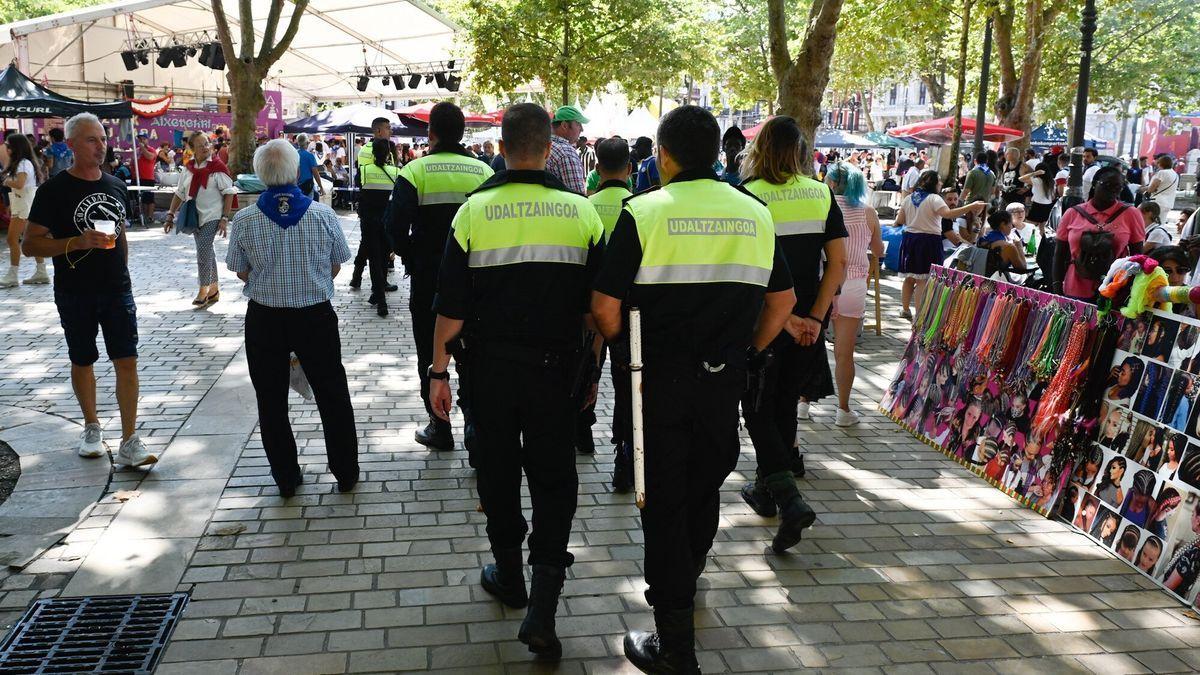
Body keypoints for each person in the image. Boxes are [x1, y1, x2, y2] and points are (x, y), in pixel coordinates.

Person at [592, 105, 794, 672]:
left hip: (656, 383)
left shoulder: (646, 212)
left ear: (664, 155)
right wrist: (747, 350)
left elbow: (606, 307)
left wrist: (623, 351)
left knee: (661, 503)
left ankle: (676, 646)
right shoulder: (754, 213)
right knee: (706, 487)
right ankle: (687, 576)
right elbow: (782, 301)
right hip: (722, 381)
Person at [427, 103, 604, 660]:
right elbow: (599, 312)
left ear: (501, 148)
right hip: (558, 375)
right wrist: (593, 372)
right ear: (551, 149)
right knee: (556, 482)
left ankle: (509, 575)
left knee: (497, 471)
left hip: (490, 373)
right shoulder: (583, 214)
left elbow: (449, 310)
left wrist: (436, 372)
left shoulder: (473, 212)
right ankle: (543, 610)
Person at [21, 113, 155, 467]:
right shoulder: (54, 190)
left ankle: (130, 439)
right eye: (92, 140)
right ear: (71, 145)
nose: (102, 145)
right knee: (83, 359)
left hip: (116, 290)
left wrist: (123, 273)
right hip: (74, 290)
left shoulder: (115, 184)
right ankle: (92, 427)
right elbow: (29, 245)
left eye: (103, 138)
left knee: (127, 359)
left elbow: (121, 234)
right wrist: (77, 242)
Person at [225, 139, 358, 498]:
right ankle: (345, 471)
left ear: (259, 174)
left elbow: (240, 271)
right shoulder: (322, 214)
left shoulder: (245, 219)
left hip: (265, 320)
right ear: (297, 172)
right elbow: (335, 265)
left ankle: (286, 476)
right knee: (333, 394)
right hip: (315, 317)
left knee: (270, 400)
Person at [736, 117, 845, 550]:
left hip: (765, 322)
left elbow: (749, 270)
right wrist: (815, 320)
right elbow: (838, 262)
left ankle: (785, 496)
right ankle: (767, 490)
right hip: (808, 327)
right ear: (801, 151)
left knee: (757, 408)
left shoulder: (749, 196)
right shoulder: (821, 194)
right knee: (781, 405)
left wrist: (783, 319)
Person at [387, 102, 494, 455]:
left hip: (429, 279)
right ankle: (477, 430)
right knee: (476, 355)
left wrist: (413, 256)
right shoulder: (483, 171)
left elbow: (393, 227)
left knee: (430, 353)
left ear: (430, 134)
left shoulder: (415, 172)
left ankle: (440, 427)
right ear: (463, 133)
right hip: (478, 281)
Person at [585, 138, 634, 477]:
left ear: (597, 169)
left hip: (589, 307)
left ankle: (582, 430)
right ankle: (624, 453)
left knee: (587, 367)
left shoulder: (585, 206)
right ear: (629, 170)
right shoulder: (640, 206)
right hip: (629, 309)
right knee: (625, 383)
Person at [825, 161, 883, 426]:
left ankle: (802, 403)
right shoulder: (868, 212)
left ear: (832, 182)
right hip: (856, 281)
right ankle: (843, 409)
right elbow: (879, 250)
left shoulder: (823, 206)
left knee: (810, 345)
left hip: (826, 279)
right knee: (844, 352)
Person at [895, 170, 985, 318]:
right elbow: (948, 214)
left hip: (910, 240)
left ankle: (905, 309)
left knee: (910, 277)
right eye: (939, 181)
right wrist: (970, 206)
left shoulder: (909, 198)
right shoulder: (934, 199)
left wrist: (916, 219)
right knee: (923, 279)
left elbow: (901, 220)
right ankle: (920, 316)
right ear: (933, 183)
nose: (941, 183)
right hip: (928, 241)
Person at [163, 131, 236, 307]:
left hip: (213, 216)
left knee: (203, 251)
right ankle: (214, 289)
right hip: (194, 217)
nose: (205, 147)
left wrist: (224, 218)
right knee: (207, 251)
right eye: (200, 145)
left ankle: (203, 290)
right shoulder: (188, 169)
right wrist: (170, 215)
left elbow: (228, 193)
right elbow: (180, 193)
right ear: (192, 149)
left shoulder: (218, 167)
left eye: (207, 143)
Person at [1052, 166, 1145, 302]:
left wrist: (1131, 290)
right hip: (1075, 287)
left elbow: (1138, 257)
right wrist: (1057, 288)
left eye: (1118, 187)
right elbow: (1059, 254)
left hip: (1114, 288)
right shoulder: (1072, 213)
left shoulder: (1131, 213)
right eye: (1107, 184)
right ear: (1095, 184)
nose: (1113, 190)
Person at [356, 139, 402, 317]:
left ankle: (380, 298)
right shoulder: (396, 172)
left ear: (373, 153)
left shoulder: (364, 171)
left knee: (374, 259)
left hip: (369, 222)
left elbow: (361, 191)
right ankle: (379, 292)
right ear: (389, 153)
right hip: (387, 222)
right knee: (383, 258)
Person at [1, 134, 51, 287]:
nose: (6, 148)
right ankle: (41, 271)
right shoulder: (23, 163)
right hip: (23, 204)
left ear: (16, 148)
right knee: (29, 239)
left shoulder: (22, 163)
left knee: (12, 239)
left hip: (23, 205)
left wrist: (5, 180)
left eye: (8, 146)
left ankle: (13, 274)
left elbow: (20, 183)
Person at [545, 106, 588, 195]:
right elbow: (578, 197)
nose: (582, 129)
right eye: (578, 124)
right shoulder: (566, 152)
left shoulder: (541, 146)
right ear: (564, 125)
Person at [1141, 154, 1179, 223]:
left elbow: (1151, 189)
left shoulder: (1162, 173)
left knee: (1150, 222)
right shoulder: (1175, 174)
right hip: (1169, 202)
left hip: (1158, 201)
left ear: (1161, 163)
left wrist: (1142, 189)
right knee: (1161, 223)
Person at [133, 130, 157, 224]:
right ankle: (143, 217)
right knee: (141, 199)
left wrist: (143, 149)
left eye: (143, 139)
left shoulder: (151, 149)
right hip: (138, 178)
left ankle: (150, 217)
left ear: (147, 140)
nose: (141, 141)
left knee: (149, 199)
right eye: (140, 139)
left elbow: (150, 157)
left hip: (148, 178)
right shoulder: (137, 151)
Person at [293, 134, 322, 200]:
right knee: (308, 205)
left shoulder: (294, 154)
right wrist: (320, 186)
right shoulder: (309, 156)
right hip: (307, 185)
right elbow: (315, 173)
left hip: (295, 184)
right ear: (307, 143)